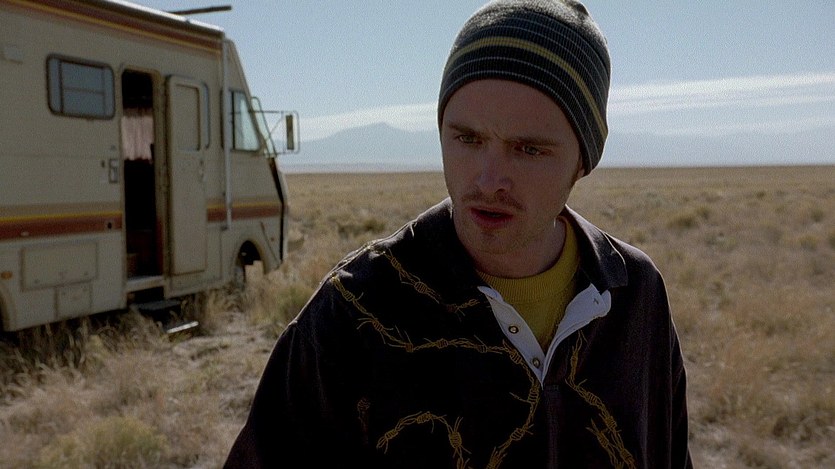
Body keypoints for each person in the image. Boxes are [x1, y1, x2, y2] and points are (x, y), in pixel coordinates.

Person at [225, 0, 692, 467]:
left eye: (529, 149)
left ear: (583, 160)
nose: (488, 181)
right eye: (467, 139)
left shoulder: (633, 294)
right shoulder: (356, 311)